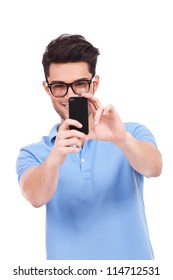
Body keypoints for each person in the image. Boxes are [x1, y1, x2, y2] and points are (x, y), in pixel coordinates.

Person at [16, 33, 162, 260]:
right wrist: (55, 158)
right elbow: (35, 197)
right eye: (59, 86)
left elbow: (154, 167)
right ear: (47, 89)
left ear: (95, 83)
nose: (70, 94)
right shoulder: (33, 154)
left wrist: (121, 138)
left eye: (80, 84)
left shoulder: (129, 132)